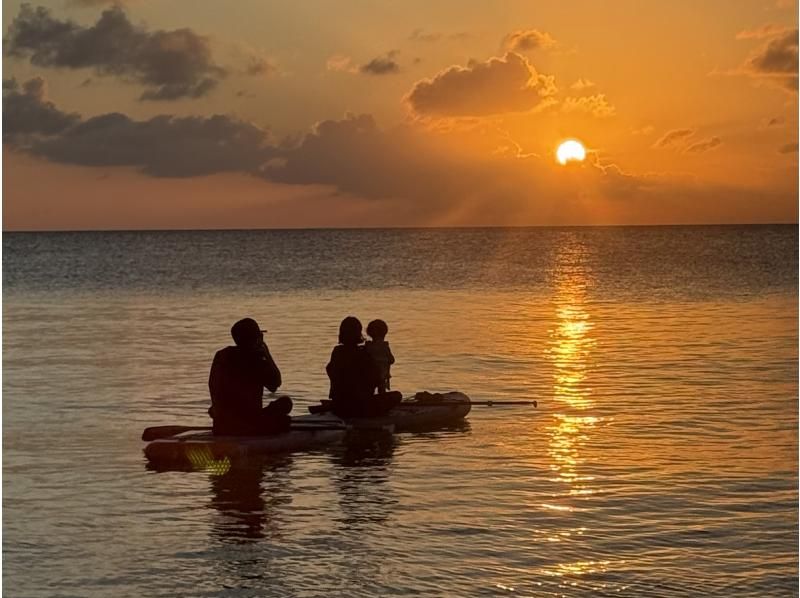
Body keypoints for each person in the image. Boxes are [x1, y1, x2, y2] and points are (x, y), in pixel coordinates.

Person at [208, 318, 292, 435]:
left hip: (221, 424)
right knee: (286, 404)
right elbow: (275, 384)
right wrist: (266, 352)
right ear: (256, 339)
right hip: (248, 424)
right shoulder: (255, 358)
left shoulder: (221, 355)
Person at [326, 316, 401, 417]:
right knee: (397, 396)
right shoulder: (363, 354)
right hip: (361, 406)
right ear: (358, 333)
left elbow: (330, 370)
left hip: (338, 406)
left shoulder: (337, 351)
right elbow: (376, 378)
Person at [365, 319, 395, 393]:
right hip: (382, 374)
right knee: (382, 389)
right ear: (384, 333)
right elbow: (391, 359)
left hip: (370, 374)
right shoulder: (385, 346)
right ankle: (382, 400)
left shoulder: (368, 346)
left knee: (369, 389)